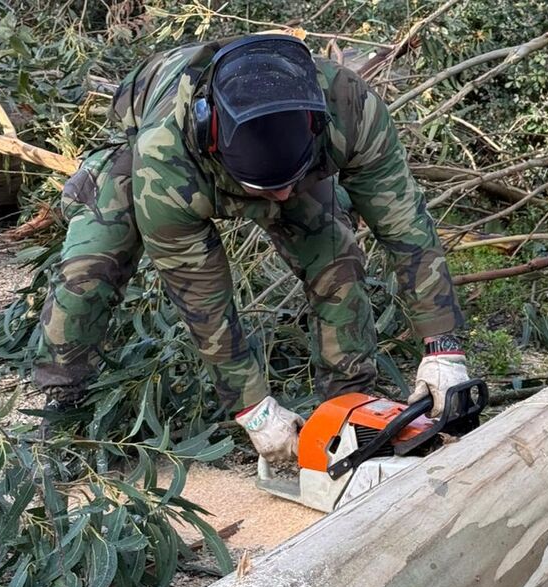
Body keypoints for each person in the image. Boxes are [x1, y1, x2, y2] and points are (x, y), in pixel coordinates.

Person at [34, 32, 471, 462]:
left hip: (292, 155)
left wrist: (442, 344)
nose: (281, 199)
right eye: (266, 189)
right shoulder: (164, 160)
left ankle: (348, 404)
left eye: (286, 186)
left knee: (336, 258)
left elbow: (405, 225)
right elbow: (202, 298)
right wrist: (253, 407)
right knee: (89, 268)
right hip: (160, 144)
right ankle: (65, 400)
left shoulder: (348, 106)